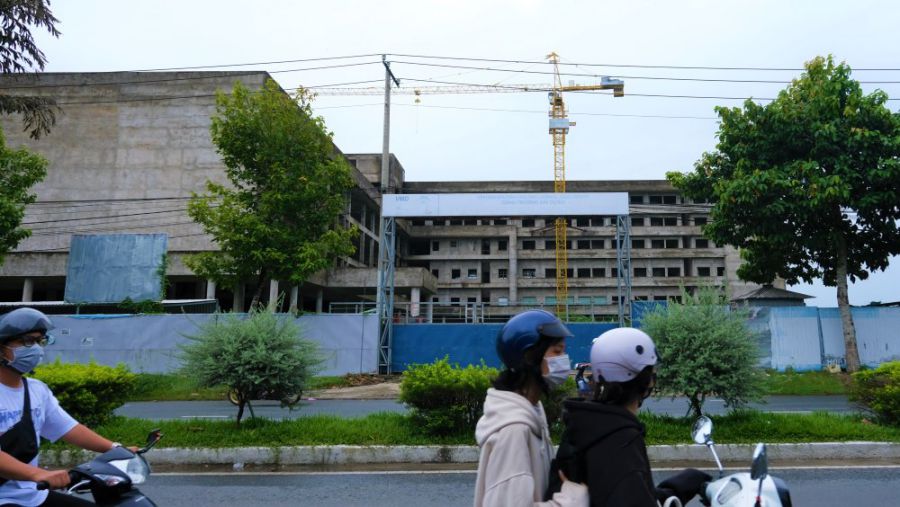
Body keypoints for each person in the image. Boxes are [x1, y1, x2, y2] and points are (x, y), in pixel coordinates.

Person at [546, 327, 710, 507]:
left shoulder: (588, 426)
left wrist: (677, 489)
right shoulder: (621, 440)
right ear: (647, 380)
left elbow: (620, 492)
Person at [0, 308, 132, 507]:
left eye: (39, 341)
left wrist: (116, 449)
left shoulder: (37, 390)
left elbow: (68, 428)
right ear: (1, 348)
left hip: (33, 494)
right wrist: (37, 473)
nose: (35, 348)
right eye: (27, 341)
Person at [473, 309, 588, 507]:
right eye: (557, 352)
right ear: (530, 357)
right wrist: (572, 501)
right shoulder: (514, 430)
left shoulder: (533, 410)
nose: (564, 360)